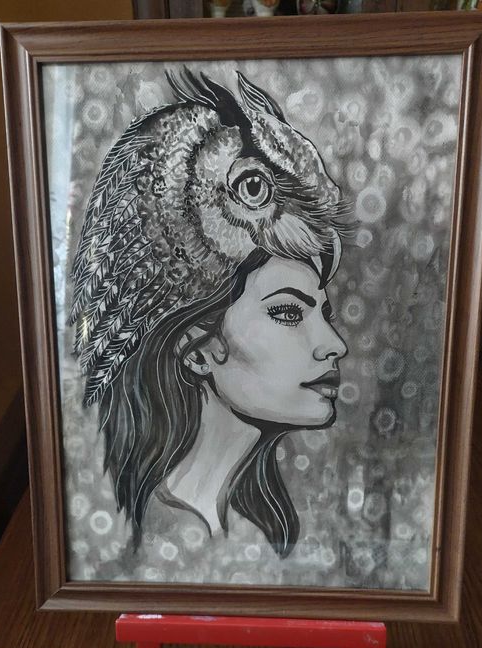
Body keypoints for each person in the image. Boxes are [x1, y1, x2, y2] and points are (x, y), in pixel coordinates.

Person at [70, 69, 352, 558]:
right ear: (197, 349)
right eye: (289, 312)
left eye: (323, 313)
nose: (335, 344)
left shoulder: (246, 529)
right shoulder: (160, 544)